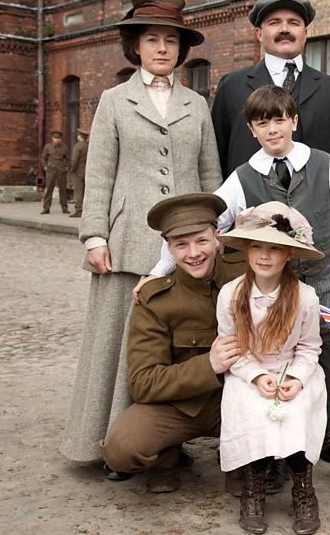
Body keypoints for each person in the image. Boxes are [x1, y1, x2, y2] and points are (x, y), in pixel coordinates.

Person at [149, 85, 330, 500]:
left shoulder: (323, 165)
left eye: (279, 120)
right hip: (274, 291)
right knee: (276, 361)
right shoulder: (242, 178)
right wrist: (157, 271)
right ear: (252, 129)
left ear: (294, 121)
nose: (273, 129)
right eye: (262, 122)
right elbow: (204, 223)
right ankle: (275, 456)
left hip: (326, 284)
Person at [60, 0, 223, 465]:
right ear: (135, 46)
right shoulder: (114, 101)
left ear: (181, 48)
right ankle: (109, 441)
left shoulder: (196, 104)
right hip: (128, 241)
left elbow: (211, 176)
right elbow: (99, 174)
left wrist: (217, 234)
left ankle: (169, 440)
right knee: (119, 342)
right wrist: (94, 235)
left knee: (182, 338)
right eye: (152, 39)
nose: (162, 49)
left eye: (171, 40)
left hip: (187, 245)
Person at [99, 193, 240, 493]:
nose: (193, 253)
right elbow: (143, 382)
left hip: (235, 398)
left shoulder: (244, 276)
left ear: (217, 236)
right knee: (120, 450)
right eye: (181, 244)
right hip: (178, 406)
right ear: (168, 247)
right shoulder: (155, 299)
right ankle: (166, 458)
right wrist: (209, 365)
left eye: (201, 241)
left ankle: (243, 462)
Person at [217, 202, 326, 535]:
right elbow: (233, 348)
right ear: (247, 250)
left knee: (297, 409)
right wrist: (256, 375)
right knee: (252, 408)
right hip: (248, 369)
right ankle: (254, 489)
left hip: (292, 368)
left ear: (289, 254)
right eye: (257, 247)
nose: (264, 256)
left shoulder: (305, 297)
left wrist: (296, 378)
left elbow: (309, 347)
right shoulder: (231, 294)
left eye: (275, 248)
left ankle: (303, 490)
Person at [211, 0, 330, 183]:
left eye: (293, 23)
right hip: (249, 200)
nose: (284, 29)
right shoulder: (231, 86)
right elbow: (215, 157)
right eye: (274, 22)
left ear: (305, 33)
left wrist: (319, 191)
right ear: (259, 34)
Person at [40, 131, 69, 215]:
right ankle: (46, 208)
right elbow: (43, 158)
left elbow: (68, 159)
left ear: (61, 139)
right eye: (55, 138)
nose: (57, 140)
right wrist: (45, 167)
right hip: (51, 170)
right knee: (49, 189)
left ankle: (64, 208)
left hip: (61, 171)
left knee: (63, 190)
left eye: (58, 138)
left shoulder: (64, 147)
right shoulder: (48, 147)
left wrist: (66, 168)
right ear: (52, 138)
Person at [69, 128, 90, 218]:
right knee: (86, 190)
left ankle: (78, 210)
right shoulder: (88, 146)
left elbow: (75, 160)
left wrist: (72, 169)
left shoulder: (78, 146)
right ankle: (86, 209)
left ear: (79, 136)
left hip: (78, 172)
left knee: (78, 191)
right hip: (87, 171)